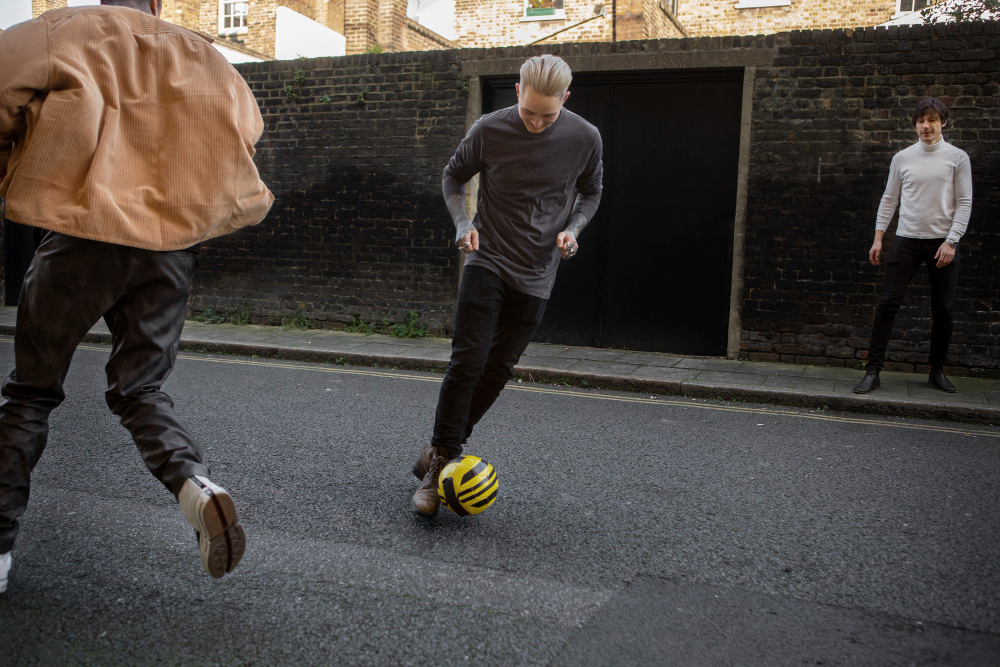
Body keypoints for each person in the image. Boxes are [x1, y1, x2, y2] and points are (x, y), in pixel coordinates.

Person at [0, 0, 273, 592]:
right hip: (171, 247)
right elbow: (246, 130)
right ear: (154, 5)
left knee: (30, 394)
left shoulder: (63, 28)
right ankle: (195, 484)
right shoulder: (205, 53)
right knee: (141, 388)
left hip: (84, 236)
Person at [410, 55, 603, 517]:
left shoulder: (585, 137)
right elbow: (453, 175)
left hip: (538, 272)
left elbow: (591, 192)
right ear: (517, 91)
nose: (536, 123)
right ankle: (440, 467)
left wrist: (573, 229)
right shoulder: (489, 129)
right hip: (488, 259)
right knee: (468, 361)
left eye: (548, 115)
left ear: (565, 101)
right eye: (529, 111)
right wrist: (461, 223)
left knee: (497, 370)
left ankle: (438, 448)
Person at [854, 98, 972, 394]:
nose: (925, 126)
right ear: (915, 124)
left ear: (943, 122)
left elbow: (965, 202)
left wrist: (951, 241)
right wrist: (879, 236)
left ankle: (937, 371)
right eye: (920, 120)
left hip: (942, 244)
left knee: (943, 309)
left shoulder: (957, 158)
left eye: (931, 120)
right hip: (906, 240)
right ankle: (873, 371)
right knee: (887, 305)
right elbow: (889, 198)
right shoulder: (902, 158)